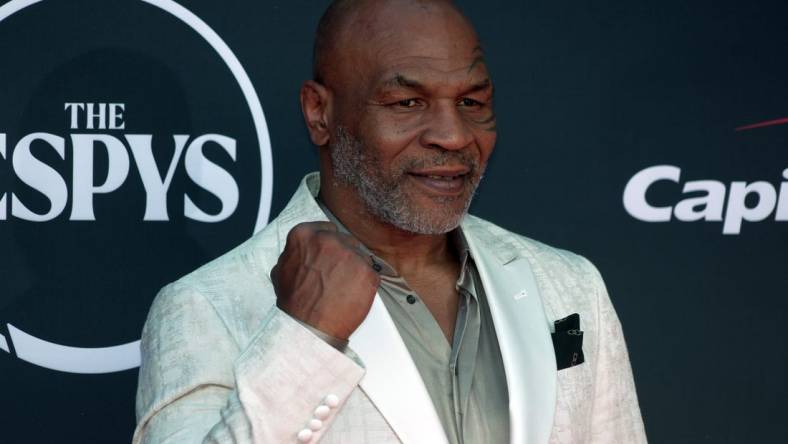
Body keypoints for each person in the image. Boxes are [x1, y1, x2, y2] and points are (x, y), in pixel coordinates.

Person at [133, 0, 647, 443]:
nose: (452, 134)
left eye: (471, 102)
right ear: (319, 113)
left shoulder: (569, 286)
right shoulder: (208, 307)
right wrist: (306, 338)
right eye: (408, 102)